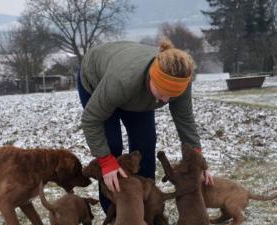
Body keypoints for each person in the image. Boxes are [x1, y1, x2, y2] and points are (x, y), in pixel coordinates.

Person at [76, 39, 214, 212]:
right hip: (97, 81)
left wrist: (199, 163)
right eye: (163, 92)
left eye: (172, 96)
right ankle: (115, 211)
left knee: (145, 144)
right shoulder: (123, 80)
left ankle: (147, 206)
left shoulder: (180, 81)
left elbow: (185, 122)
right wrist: (105, 161)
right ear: (152, 77)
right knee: (112, 146)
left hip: (137, 94)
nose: (165, 100)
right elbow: (91, 119)